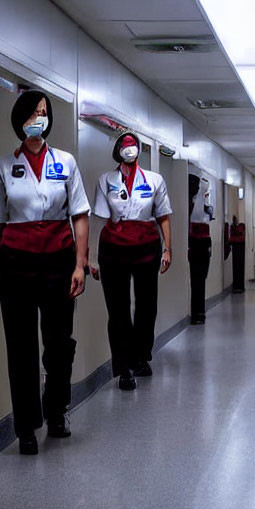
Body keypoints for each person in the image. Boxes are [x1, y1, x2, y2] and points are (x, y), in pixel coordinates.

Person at [0, 90, 90, 456]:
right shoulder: (2, 166)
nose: (38, 119)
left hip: (59, 261)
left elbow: (80, 216)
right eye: (32, 113)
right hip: (16, 266)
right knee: (21, 347)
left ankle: (56, 410)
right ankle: (26, 426)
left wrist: (80, 264)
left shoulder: (66, 163)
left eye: (43, 113)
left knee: (59, 344)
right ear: (20, 120)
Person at [88, 132, 172, 391]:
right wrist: (91, 257)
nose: (130, 149)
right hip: (113, 248)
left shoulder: (154, 180)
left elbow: (163, 216)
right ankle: (123, 367)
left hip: (147, 246)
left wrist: (168, 249)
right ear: (117, 150)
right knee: (119, 310)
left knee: (147, 307)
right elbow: (99, 219)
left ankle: (141, 357)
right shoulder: (106, 180)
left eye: (133, 145)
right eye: (125, 146)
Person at [188, 174, 214, 324]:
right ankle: (198, 313)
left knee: (199, 280)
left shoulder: (203, 208)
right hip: (197, 244)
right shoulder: (195, 207)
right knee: (198, 280)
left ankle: (199, 312)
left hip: (202, 244)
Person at [228, 215, 246, 293]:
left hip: (236, 246)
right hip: (240, 246)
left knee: (236, 266)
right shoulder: (239, 228)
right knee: (240, 266)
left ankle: (237, 286)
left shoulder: (233, 228)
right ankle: (240, 286)